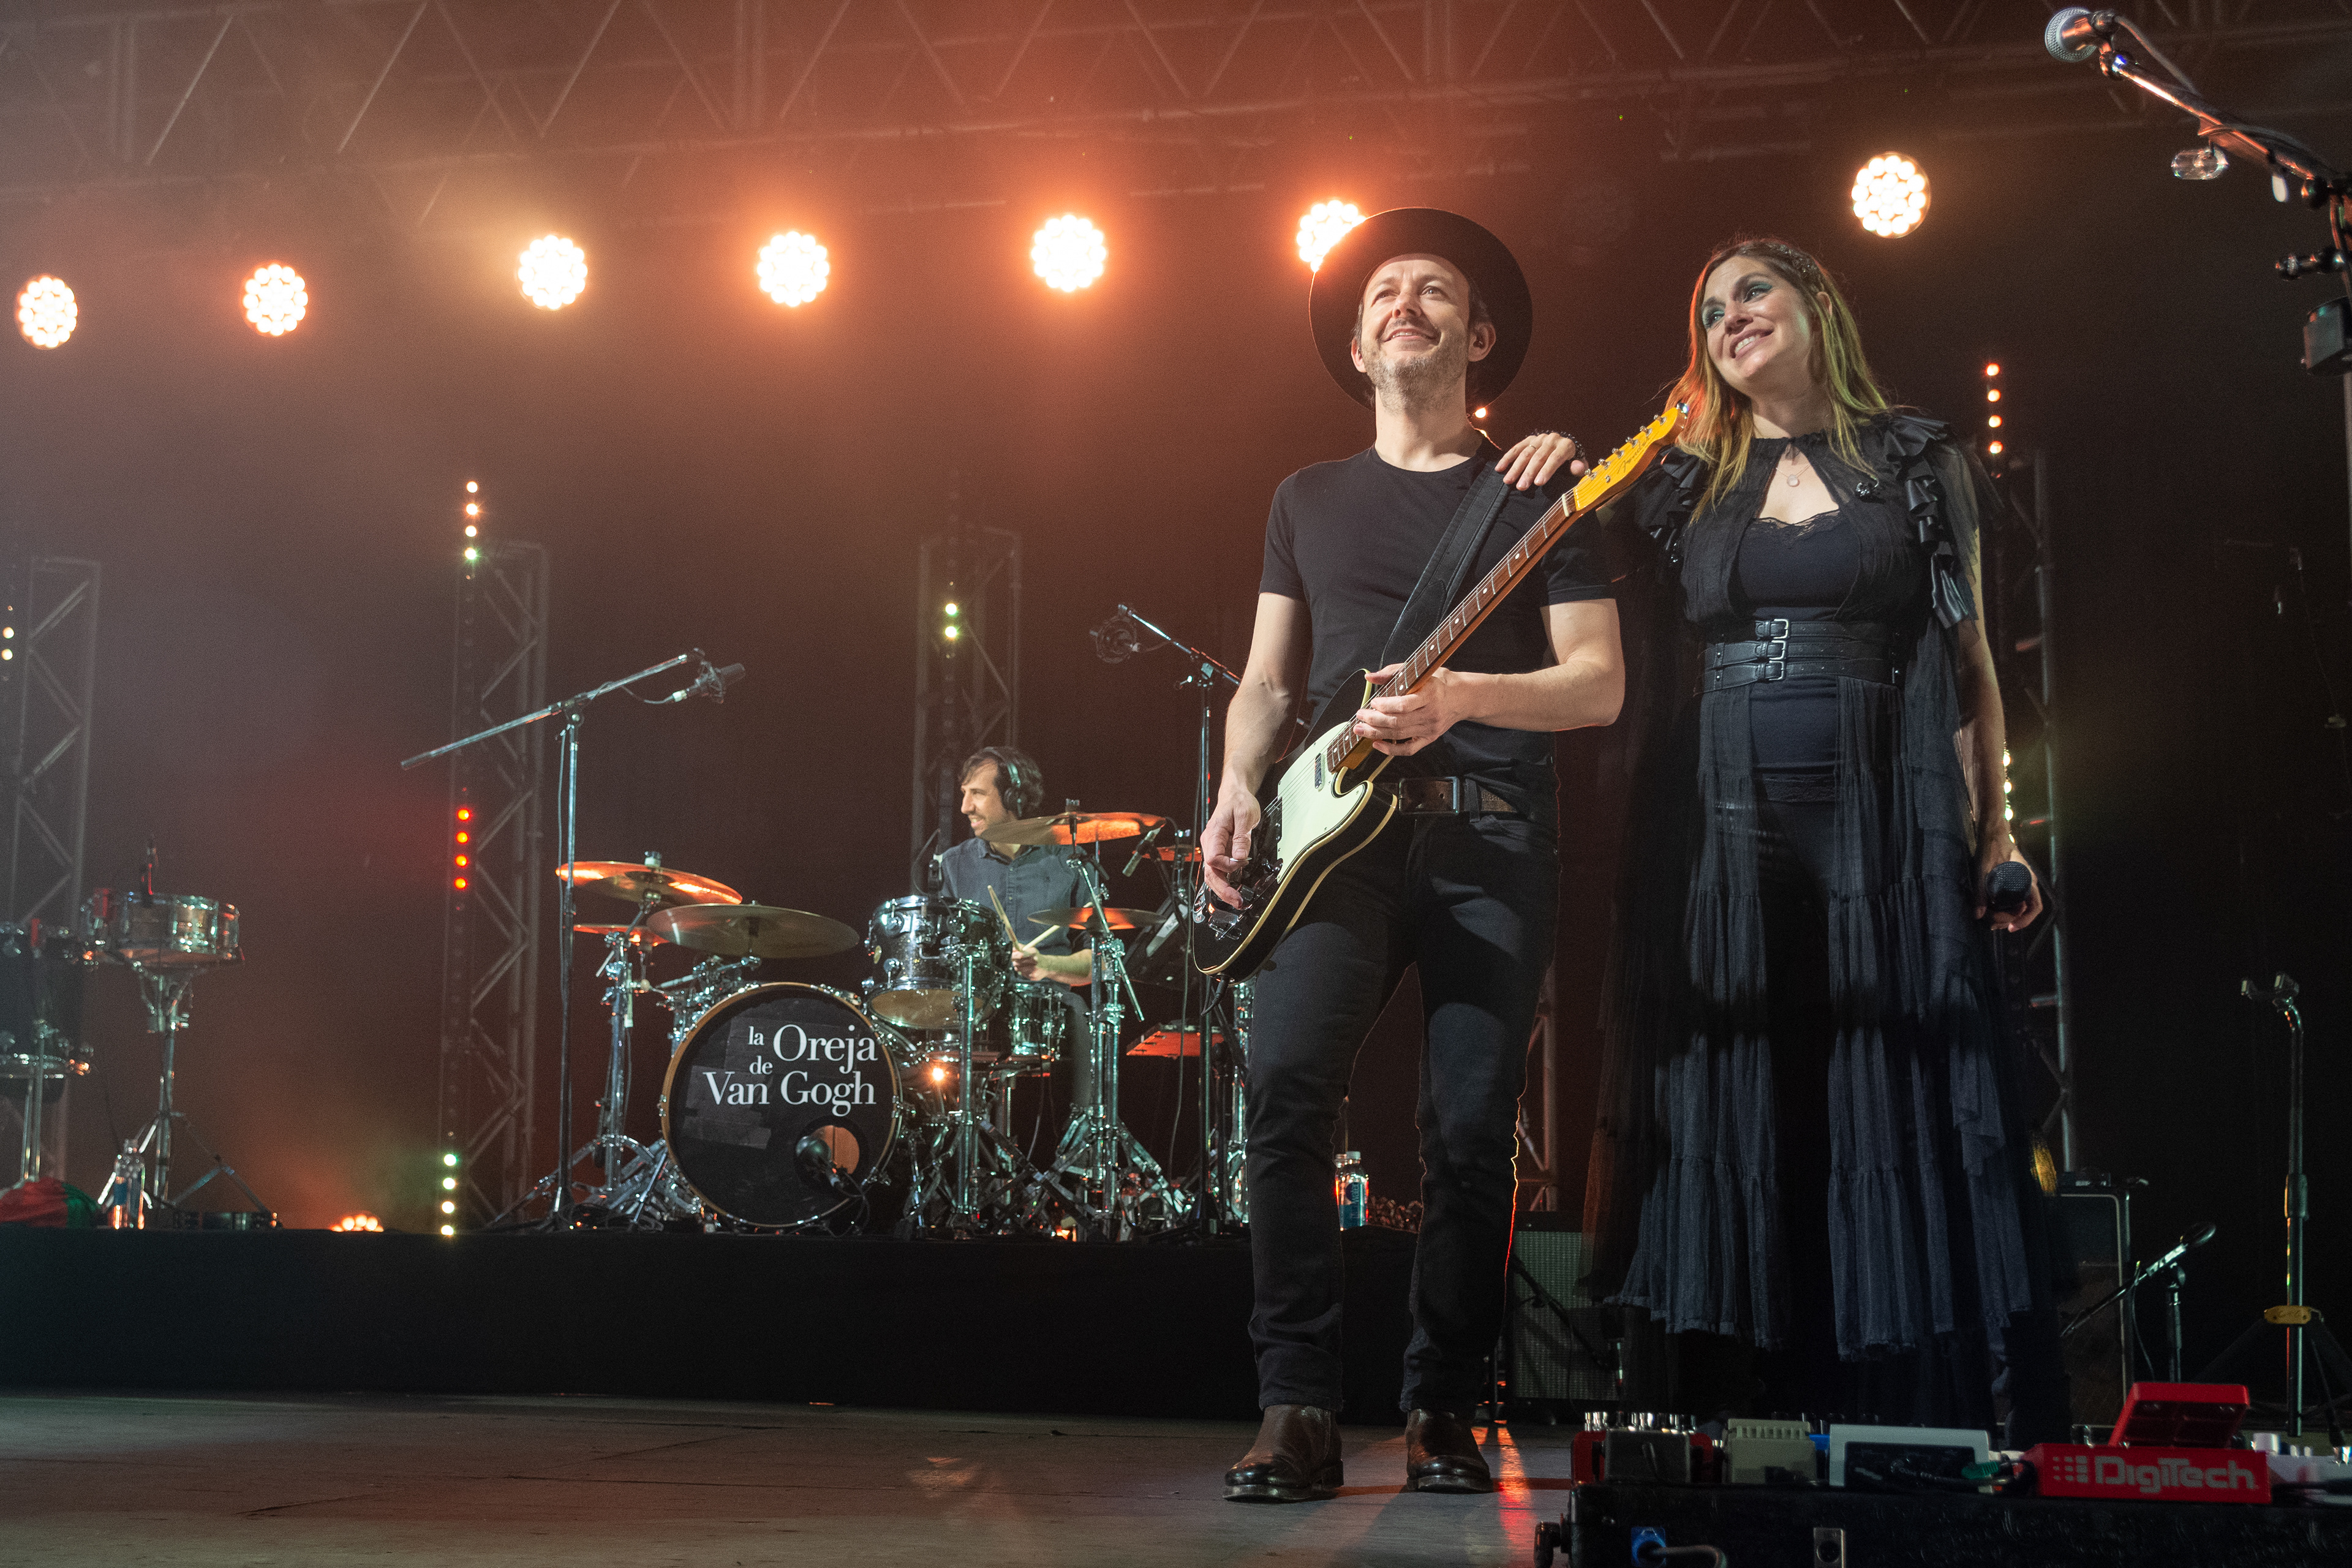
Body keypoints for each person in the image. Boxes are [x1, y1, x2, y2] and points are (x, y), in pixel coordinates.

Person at [1555, 236, 2067, 1437]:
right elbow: (1562, 569)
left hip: (1879, 806)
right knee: (1742, 1088)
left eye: (1753, 291)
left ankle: (1886, 1407)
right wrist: (1567, 468)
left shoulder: (1914, 457)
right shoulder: (1680, 481)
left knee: (1876, 1090)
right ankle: (1742, 1408)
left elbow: (1974, 661)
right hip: (1720, 816)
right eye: (1710, 308)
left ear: (1815, 304)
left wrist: (2002, 829)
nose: (1730, 316)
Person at [1202, 208, 1626, 1503]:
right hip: (1337, 840)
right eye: (1384, 289)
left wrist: (1463, 703)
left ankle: (1448, 1400)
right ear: (1357, 338)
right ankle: (1298, 1406)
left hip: (1492, 836)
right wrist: (1234, 784)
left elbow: (1599, 684)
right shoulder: (1305, 497)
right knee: (1283, 1097)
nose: (1405, 302)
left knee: (1467, 1132)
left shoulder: (1545, 489)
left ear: (1478, 336)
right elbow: (1270, 681)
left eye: (1434, 291)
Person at [935, 745, 1093, 994]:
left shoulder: (1069, 862)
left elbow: (1101, 962)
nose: (965, 807)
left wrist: (1046, 965)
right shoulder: (955, 864)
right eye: (964, 793)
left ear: (1014, 798)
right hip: (978, 1011)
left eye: (977, 793)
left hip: (1052, 1010)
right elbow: (941, 956)